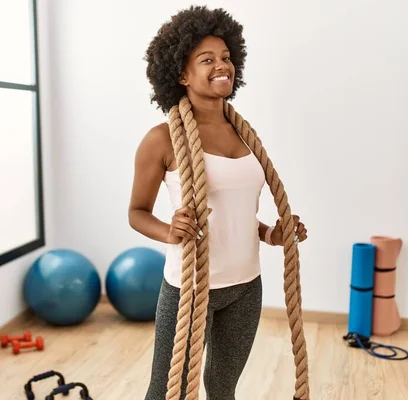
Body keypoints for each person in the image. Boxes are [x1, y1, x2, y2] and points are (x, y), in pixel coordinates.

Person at [127, 6, 308, 400]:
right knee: (165, 392)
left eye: (226, 58)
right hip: (189, 290)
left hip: (246, 286)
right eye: (206, 60)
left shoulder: (245, 134)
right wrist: (169, 230)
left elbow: (239, 211)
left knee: (223, 388)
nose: (221, 66)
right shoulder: (161, 139)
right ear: (181, 74)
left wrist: (272, 233)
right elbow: (136, 213)